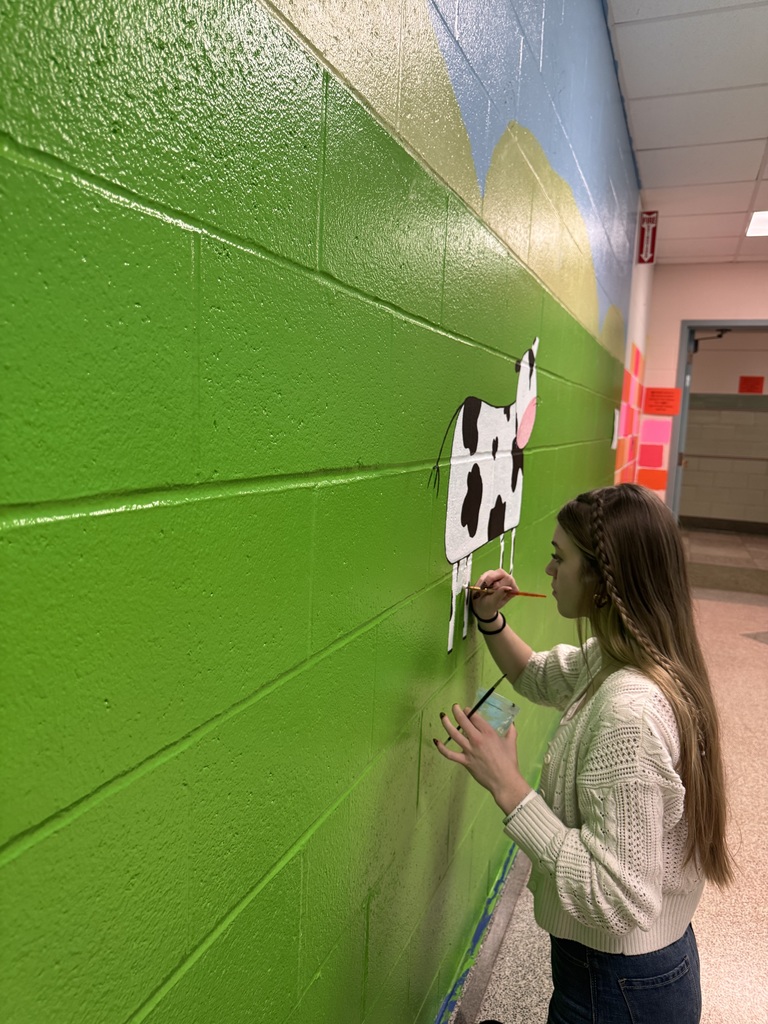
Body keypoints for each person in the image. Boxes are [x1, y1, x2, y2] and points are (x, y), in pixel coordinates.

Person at [434, 483, 733, 1024]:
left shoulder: (629, 714)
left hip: (620, 986)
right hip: (630, 972)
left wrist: (510, 789)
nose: (548, 571)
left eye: (558, 558)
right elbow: (538, 676)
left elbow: (618, 897)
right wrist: (490, 620)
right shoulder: (626, 655)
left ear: (600, 579)